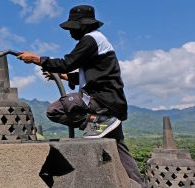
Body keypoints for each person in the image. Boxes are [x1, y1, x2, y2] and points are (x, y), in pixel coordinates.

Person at [17, 5, 146, 187]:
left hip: (99, 100)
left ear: (83, 25)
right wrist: (67, 77)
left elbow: (67, 62)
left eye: (72, 28)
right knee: (119, 148)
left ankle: (95, 119)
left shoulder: (90, 40)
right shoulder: (99, 41)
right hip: (112, 102)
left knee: (54, 110)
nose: (70, 32)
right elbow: (97, 74)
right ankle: (139, 184)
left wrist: (38, 59)